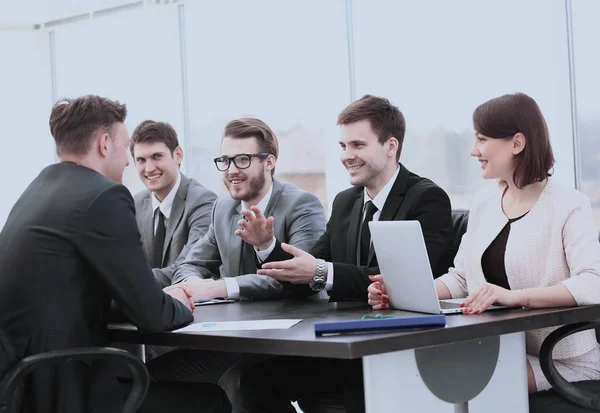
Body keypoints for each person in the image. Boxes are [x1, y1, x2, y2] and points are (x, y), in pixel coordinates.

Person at [368, 92, 600, 393]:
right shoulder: (484, 203)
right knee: (418, 377)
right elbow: (462, 278)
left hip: (560, 361)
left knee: (470, 386)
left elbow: (593, 284)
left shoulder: (570, 205)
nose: (473, 150)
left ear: (517, 143)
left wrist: (516, 296)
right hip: (501, 348)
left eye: (482, 139)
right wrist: (400, 290)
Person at [240, 95, 453, 413]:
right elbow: (305, 272)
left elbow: (399, 281)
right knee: (254, 380)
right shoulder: (345, 202)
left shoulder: (427, 199)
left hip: (397, 346)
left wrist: (321, 272)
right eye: (342, 146)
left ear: (390, 146)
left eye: (357, 145)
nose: (347, 156)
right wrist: (266, 246)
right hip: (344, 344)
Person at [0, 95, 203, 413]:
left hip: (23, 382)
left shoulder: (37, 191)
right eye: (126, 147)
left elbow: (72, 293)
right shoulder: (103, 196)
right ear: (105, 143)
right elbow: (153, 317)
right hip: (65, 386)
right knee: (209, 400)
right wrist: (177, 302)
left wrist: (154, 298)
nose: (127, 161)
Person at [146, 117, 326, 412]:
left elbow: (296, 277)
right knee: (154, 374)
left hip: (291, 340)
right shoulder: (223, 207)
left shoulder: (302, 205)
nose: (231, 171)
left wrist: (216, 287)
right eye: (225, 161)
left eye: (242, 160)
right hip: (235, 335)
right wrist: (191, 287)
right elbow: (190, 263)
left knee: (240, 382)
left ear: (269, 162)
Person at [130, 120, 217, 286]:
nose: (149, 168)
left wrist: (126, 281)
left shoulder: (203, 202)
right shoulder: (135, 204)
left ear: (178, 155)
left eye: (156, 157)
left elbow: (189, 267)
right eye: (141, 160)